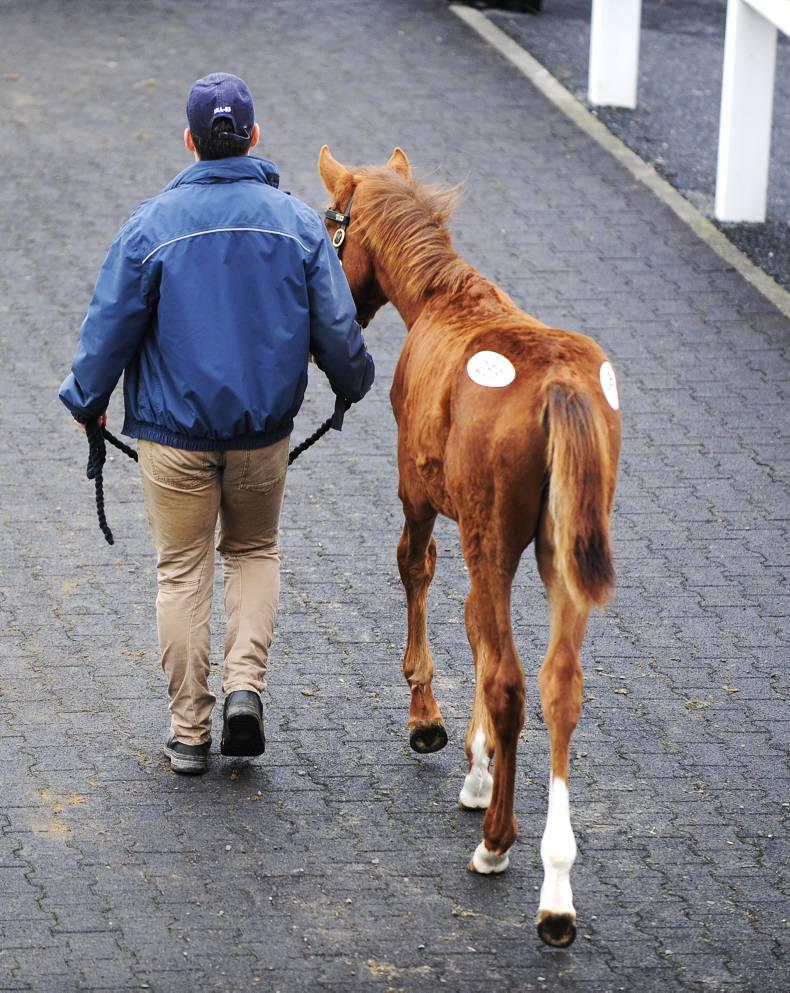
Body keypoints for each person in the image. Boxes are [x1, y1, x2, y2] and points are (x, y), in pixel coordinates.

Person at [59, 72, 374, 775]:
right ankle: (244, 689)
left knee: (181, 570)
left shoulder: (151, 225)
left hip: (172, 439)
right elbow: (337, 330)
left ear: (189, 141)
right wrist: (353, 384)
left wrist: (88, 400)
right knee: (254, 551)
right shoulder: (296, 223)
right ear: (254, 137)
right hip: (263, 435)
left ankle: (189, 732)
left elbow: (108, 328)